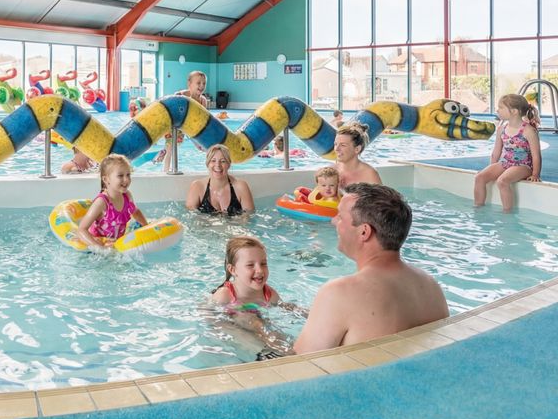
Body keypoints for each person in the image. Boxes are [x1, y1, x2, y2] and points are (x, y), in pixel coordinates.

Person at [292, 183, 448, 353]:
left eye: (340, 217)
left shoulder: (339, 293)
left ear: (364, 232)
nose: (333, 221)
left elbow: (298, 364)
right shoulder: (430, 285)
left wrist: (261, 329)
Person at [473, 93, 541, 212]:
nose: (497, 110)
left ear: (514, 111)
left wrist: (535, 174)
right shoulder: (502, 129)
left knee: (502, 181)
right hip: (506, 163)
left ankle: (507, 212)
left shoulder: (528, 130)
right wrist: (490, 168)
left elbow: (536, 155)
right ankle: (478, 207)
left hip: (523, 166)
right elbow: (496, 152)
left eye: (501, 107)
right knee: (480, 177)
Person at [76, 154, 148, 250]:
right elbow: (82, 230)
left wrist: (146, 226)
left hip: (118, 244)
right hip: (98, 250)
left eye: (128, 175)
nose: (126, 179)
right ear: (106, 179)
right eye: (120, 176)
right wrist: (98, 247)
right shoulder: (101, 203)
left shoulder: (127, 195)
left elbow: (135, 211)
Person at [158, 71, 209, 170]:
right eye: (198, 83)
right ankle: (165, 171)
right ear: (189, 84)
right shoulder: (181, 96)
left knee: (203, 146)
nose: (202, 86)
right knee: (171, 148)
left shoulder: (203, 101)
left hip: (188, 125)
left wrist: (198, 141)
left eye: (204, 83)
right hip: (174, 125)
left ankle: (164, 151)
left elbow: (202, 121)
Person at [186, 144, 254, 215]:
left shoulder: (241, 187)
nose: (217, 165)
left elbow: (248, 217)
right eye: (213, 161)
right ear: (207, 164)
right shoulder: (197, 187)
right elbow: (191, 218)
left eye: (223, 161)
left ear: (229, 164)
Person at [334, 123, 381, 188]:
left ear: (357, 149)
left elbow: (381, 198)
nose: (336, 149)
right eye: (335, 144)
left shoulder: (369, 174)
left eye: (343, 145)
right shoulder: (332, 170)